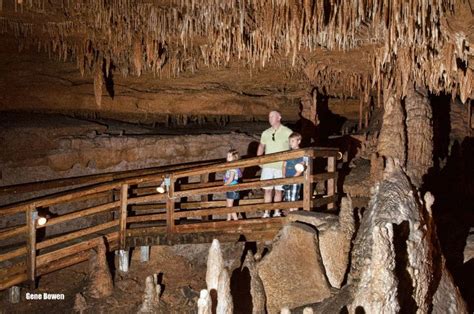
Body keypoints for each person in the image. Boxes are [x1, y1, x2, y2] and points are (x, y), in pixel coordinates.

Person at [257, 110, 293, 218]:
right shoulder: (266, 133)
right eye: (269, 117)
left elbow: (293, 146)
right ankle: (267, 212)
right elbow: (261, 146)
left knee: (278, 191)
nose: (270, 118)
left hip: (281, 166)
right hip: (268, 166)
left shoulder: (287, 132)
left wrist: (290, 163)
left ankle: (277, 212)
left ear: (279, 117)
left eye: (272, 116)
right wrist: (259, 160)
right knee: (267, 190)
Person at [283, 132, 305, 212]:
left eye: (292, 141)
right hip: (287, 178)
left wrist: (294, 178)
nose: (290, 143)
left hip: (295, 179)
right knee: (288, 199)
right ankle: (290, 216)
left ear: (298, 141)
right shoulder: (288, 153)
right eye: (289, 141)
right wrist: (284, 176)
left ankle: (295, 216)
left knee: (294, 198)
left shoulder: (301, 153)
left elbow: (300, 167)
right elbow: (284, 165)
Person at [223, 149, 242, 221]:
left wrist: (225, 184)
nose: (227, 157)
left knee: (230, 206)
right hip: (231, 188)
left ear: (235, 158)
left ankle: (235, 220)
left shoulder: (232, 168)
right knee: (228, 205)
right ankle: (228, 219)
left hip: (232, 188)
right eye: (227, 156)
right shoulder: (231, 167)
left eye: (229, 156)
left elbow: (231, 178)